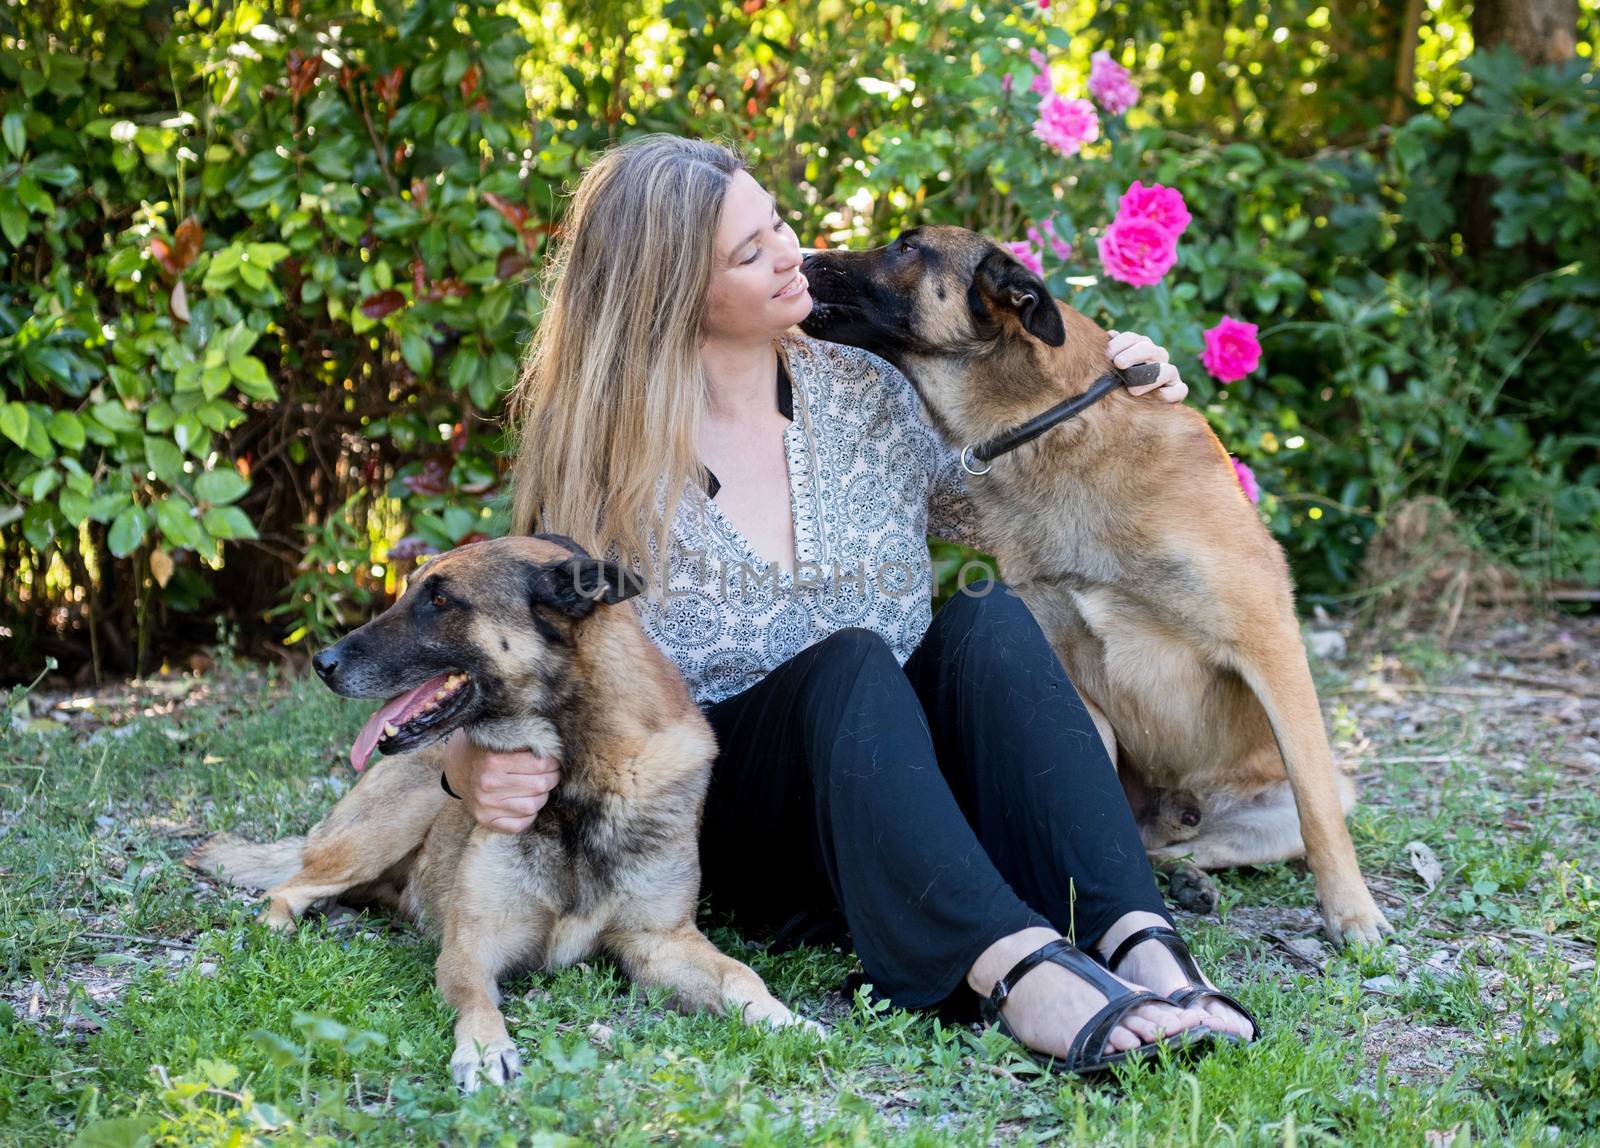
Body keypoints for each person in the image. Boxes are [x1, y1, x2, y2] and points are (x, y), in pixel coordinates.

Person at [442, 134, 1258, 1074]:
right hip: (745, 812)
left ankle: (1140, 944)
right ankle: (1021, 973)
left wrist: (1106, 397)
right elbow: (502, 647)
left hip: (903, 793)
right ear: (672, 295)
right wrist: (464, 764)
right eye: (751, 254)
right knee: (851, 662)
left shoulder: (866, 389)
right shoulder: (599, 469)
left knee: (988, 623)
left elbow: (1032, 501)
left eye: (777, 222)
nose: (792, 251)